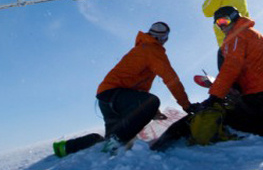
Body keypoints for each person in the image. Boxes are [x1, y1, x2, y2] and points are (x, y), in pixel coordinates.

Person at [53, 21, 194, 157]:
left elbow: (135, 87)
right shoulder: (153, 50)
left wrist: (152, 111)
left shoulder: (142, 48)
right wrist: (186, 105)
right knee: (151, 102)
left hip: (106, 98)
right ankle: (115, 142)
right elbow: (171, 79)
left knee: (110, 136)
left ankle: (66, 147)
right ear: (164, 39)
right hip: (116, 96)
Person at [195, 6, 263, 137]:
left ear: (234, 18)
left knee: (234, 122)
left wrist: (215, 96)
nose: (222, 26)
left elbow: (231, 67)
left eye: (224, 21)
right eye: (218, 23)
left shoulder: (236, 36)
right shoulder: (253, 33)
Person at [201, 0, 250, 69]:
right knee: (247, 64)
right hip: (246, 36)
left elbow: (207, 11)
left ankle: (229, 83)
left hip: (226, 38)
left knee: (230, 66)